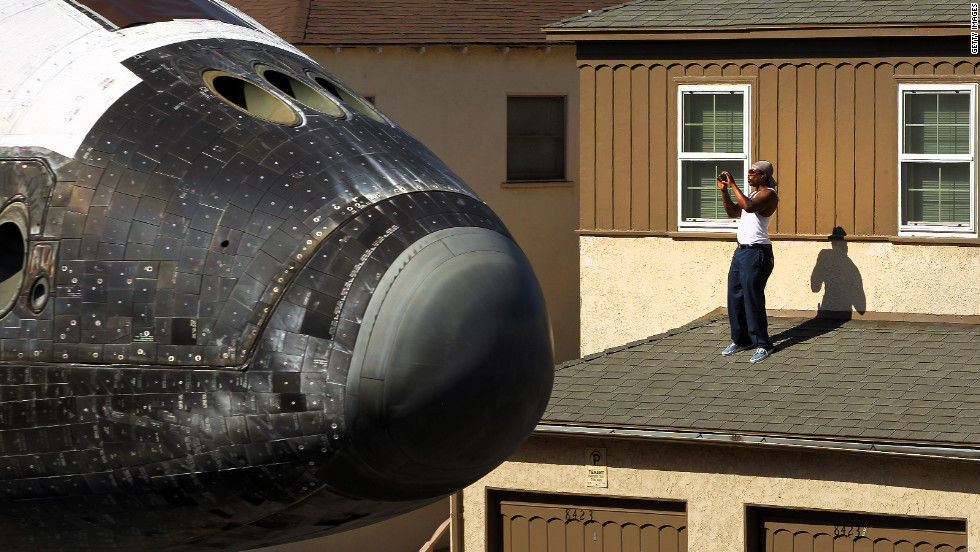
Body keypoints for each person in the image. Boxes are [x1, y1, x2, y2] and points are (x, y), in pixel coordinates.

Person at [716, 161, 779, 363]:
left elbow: (748, 208)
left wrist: (734, 184)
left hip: (758, 253)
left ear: (765, 176)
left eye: (754, 172)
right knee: (735, 296)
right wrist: (725, 191)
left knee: (753, 299)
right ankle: (742, 340)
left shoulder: (769, 194)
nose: (749, 175)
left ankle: (763, 344)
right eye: (749, 171)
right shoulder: (751, 194)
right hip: (741, 252)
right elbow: (734, 212)